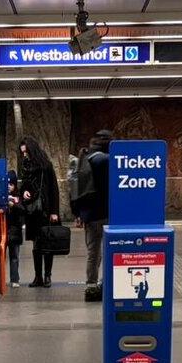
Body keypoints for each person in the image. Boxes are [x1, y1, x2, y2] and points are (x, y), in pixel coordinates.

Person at [75, 129, 113, 302]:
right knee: (109, 251)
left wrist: (78, 213)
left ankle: (90, 286)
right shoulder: (106, 161)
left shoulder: (85, 158)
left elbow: (77, 188)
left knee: (93, 252)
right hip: (106, 213)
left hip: (90, 214)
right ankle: (105, 285)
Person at [18, 137, 60, 288]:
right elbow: (23, 185)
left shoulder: (46, 166)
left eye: (26, 152)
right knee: (36, 245)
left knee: (47, 243)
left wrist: (54, 211)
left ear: (32, 150)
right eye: (22, 153)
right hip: (32, 210)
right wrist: (24, 193)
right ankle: (38, 276)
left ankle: (47, 276)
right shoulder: (25, 165)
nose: (24, 155)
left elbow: (54, 189)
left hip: (46, 209)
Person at [0, 169, 24, 288]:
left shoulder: (18, 197)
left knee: (14, 257)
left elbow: (22, 210)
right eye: (7, 185)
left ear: (15, 185)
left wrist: (13, 205)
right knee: (0, 257)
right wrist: (1, 200)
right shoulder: (0, 196)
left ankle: (15, 279)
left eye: (11, 184)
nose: (9, 187)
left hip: (15, 232)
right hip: (1, 230)